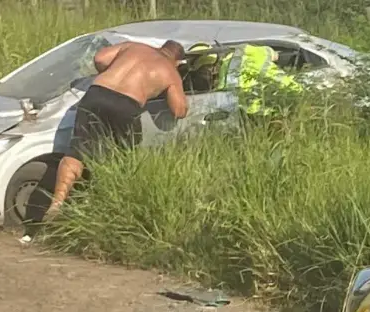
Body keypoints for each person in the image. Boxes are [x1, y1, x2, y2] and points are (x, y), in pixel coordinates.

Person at [44, 39, 189, 221]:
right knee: (121, 159)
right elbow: (179, 110)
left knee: (77, 151)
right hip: (126, 105)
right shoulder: (170, 71)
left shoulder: (133, 46)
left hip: (97, 93)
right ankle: (102, 207)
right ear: (177, 61)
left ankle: (57, 203)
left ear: (161, 47)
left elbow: (100, 58)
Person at [217, 45, 304, 116]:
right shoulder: (263, 63)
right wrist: (301, 91)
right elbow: (283, 81)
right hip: (254, 110)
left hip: (229, 107)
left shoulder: (228, 63)